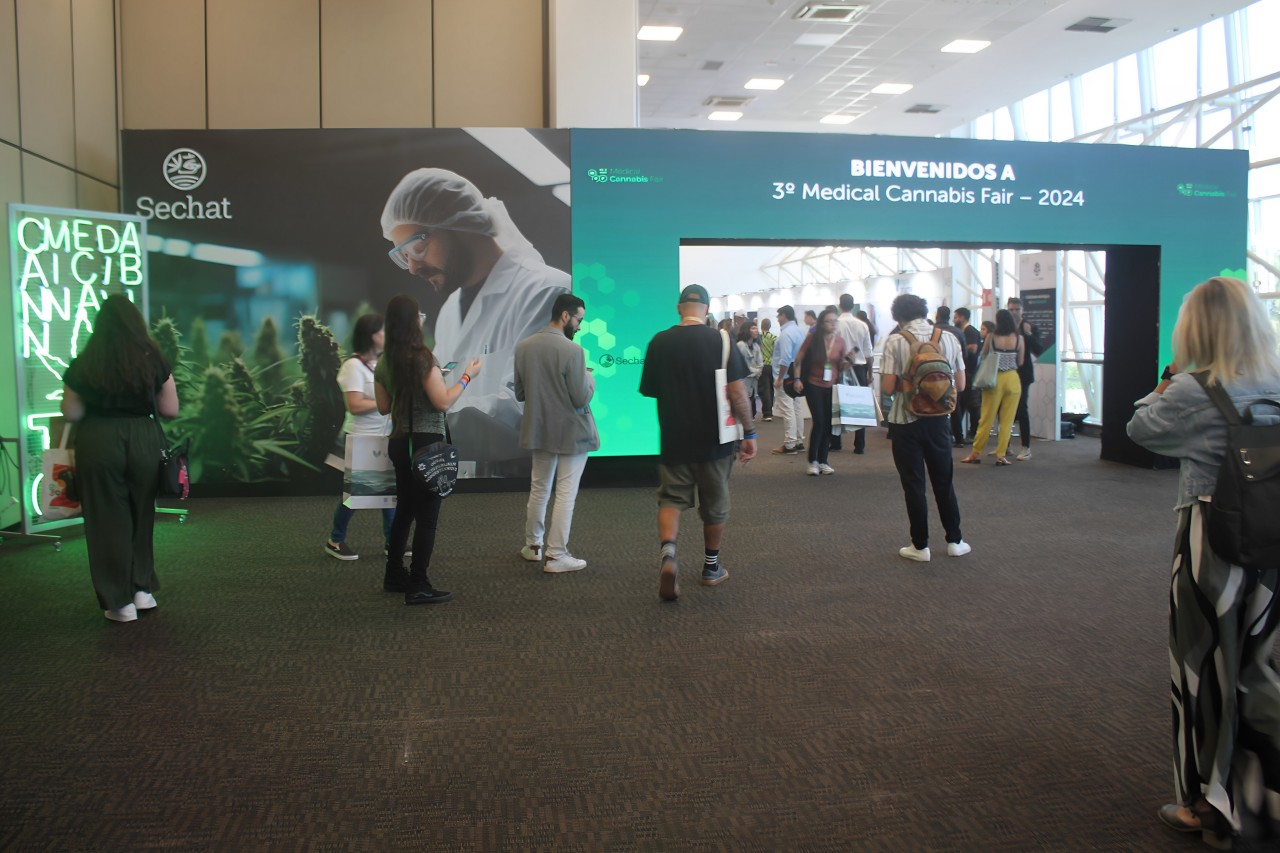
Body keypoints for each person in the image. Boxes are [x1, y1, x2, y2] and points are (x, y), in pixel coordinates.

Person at [1126, 276, 1280, 848]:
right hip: (1272, 543)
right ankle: (1262, 793)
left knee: (1202, 668)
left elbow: (1141, 428)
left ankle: (1204, 804)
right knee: (1259, 664)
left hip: (1211, 541)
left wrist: (1166, 378)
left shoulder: (1193, 387)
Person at [381, 168, 569, 478]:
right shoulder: (451, 311)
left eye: (417, 247)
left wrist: (420, 422)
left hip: (527, 485)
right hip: (468, 482)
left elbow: (532, 412)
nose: (412, 267)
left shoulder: (547, 292)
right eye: (403, 255)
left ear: (462, 225)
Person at [60, 295, 179, 622]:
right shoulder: (153, 358)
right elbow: (170, 410)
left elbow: (71, 412)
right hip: (143, 437)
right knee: (142, 512)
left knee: (106, 519)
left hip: (98, 439)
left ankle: (119, 602)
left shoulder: (86, 360)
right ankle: (142, 591)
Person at [640, 284, 757, 602]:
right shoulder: (721, 339)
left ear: (679, 308)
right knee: (715, 504)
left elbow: (651, 389)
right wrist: (749, 433)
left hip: (675, 438)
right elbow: (737, 392)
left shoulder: (659, 342)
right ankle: (711, 567)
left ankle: (668, 556)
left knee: (670, 500)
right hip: (715, 440)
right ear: (705, 309)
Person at [374, 294, 481, 605]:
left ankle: (394, 575)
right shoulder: (424, 359)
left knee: (404, 513)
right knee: (428, 518)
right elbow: (443, 402)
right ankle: (418, 583)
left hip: (400, 443)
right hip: (426, 446)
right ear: (414, 322)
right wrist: (466, 377)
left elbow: (383, 407)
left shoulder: (384, 361)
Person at [880, 293, 969, 562]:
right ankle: (955, 540)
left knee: (914, 484)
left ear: (897, 316)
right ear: (924, 311)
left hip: (905, 422)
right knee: (944, 481)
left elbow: (886, 388)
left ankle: (920, 546)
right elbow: (961, 385)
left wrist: (909, 385)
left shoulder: (895, 341)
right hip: (939, 421)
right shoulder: (949, 338)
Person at [514, 293, 599, 573]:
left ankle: (533, 546)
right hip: (571, 433)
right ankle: (556, 555)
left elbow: (520, 393)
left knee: (539, 488)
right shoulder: (573, 352)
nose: (579, 326)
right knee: (565, 493)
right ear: (565, 316)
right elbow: (579, 399)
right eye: (578, 319)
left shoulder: (524, 346)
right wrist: (589, 379)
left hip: (539, 429)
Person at [325, 314, 396, 561]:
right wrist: (386, 402)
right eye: (383, 331)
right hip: (361, 437)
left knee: (389, 494)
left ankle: (392, 542)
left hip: (381, 436)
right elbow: (354, 405)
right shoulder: (352, 366)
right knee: (355, 495)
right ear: (370, 335)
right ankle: (335, 540)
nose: (387, 336)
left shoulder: (380, 363)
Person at [960, 309, 1024, 466]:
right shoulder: (1019, 339)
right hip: (1013, 379)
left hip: (994, 379)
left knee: (987, 418)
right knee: (1007, 420)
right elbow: (1020, 361)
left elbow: (983, 355)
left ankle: (976, 452)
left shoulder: (991, 337)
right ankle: (1001, 455)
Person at [793, 307, 849, 475]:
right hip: (813, 384)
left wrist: (850, 361)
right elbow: (798, 358)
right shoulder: (813, 338)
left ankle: (823, 460)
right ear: (822, 323)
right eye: (828, 321)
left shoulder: (840, 341)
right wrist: (796, 379)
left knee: (829, 424)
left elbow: (842, 366)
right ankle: (813, 461)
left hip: (832, 386)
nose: (832, 324)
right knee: (819, 421)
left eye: (834, 321)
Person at [1006, 296, 1044, 461]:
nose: (1014, 312)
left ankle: (1026, 447)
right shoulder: (1005, 327)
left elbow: (1038, 350)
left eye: (1017, 309)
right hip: (1006, 372)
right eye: (1011, 309)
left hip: (1023, 373)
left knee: (1022, 409)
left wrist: (1028, 334)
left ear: (1022, 310)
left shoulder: (1030, 327)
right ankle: (1005, 446)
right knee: (1005, 410)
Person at [836, 294, 874, 454]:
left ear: (840, 305)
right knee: (860, 406)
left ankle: (835, 442)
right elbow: (868, 353)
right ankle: (860, 445)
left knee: (837, 404)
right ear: (853, 306)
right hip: (859, 368)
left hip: (839, 367)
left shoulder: (835, 324)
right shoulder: (862, 325)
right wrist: (870, 372)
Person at [771, 305, 807, 455]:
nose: (778, 319)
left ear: (784, 316)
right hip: (797, 375)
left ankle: (790, 444)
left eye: (778, 316)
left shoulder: (786, 334)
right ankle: (798, 440)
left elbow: (785, 359)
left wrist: (779, 378)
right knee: (797, 408)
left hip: (786, 376)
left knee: (788, 410)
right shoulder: (799, 331)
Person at [952, 308, 983, 442]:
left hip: (970, 373)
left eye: (956, 317)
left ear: (963, 317)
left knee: (973, 405)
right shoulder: (962, 331)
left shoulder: (970, 331)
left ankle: (974, 433)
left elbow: (973, 348)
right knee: (961, 404)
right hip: (963, 372)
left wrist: (957, 348)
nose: (954, 320)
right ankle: (959, 434)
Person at [735, 321, 763, 420]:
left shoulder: (756, 346)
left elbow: (760, 363)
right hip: (743, 381)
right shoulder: (741, 345)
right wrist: (756, 371)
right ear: (747, 330)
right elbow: (743, 366)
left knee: (750, 402)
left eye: (756, 328)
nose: (756, 331)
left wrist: (757, 371)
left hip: (752, 381)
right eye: (753, 328)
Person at [758, 317, 777, 422]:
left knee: (764, 390)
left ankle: (767, 413)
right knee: (771, 389)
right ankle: (770, 410)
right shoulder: (774, 338)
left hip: (762, 366)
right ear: (770, 326)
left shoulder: (758, 338)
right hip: (772, 366)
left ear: (761, 326)